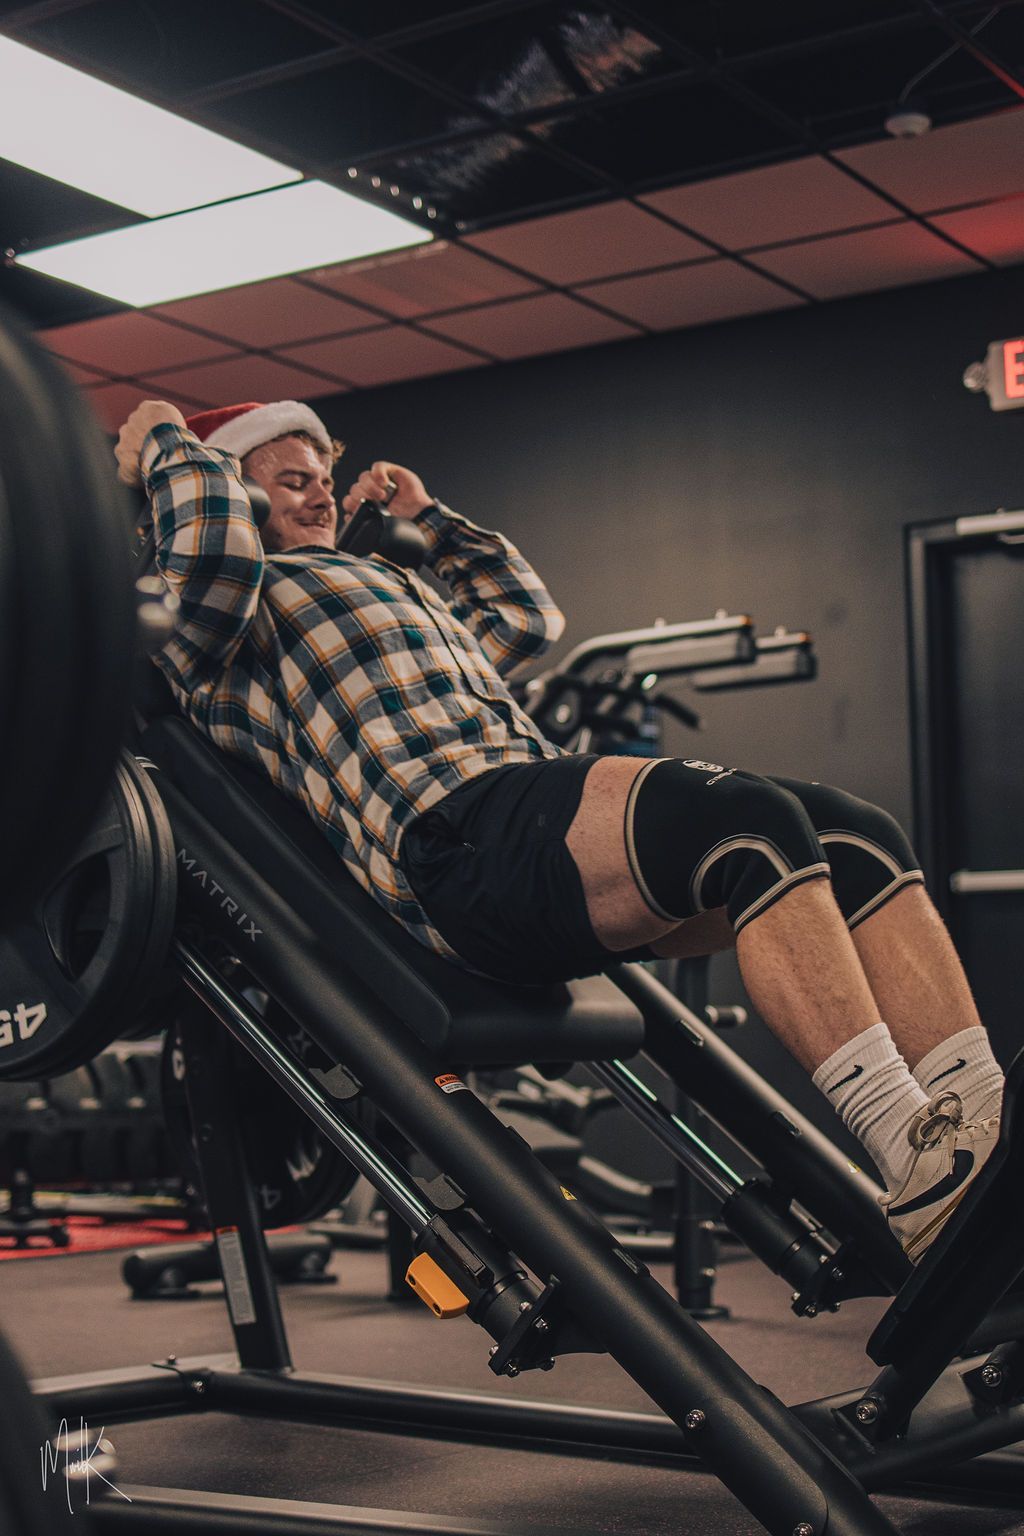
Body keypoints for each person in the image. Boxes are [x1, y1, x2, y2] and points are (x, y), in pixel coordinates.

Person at [115, 396, 1004, 1265]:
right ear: (229, 487)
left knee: (855, 837)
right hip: (455, 837)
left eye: (325, 477)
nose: (321, 495)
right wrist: (163, 431)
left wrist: (431, 519)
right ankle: (914, 1152)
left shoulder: (377, 579)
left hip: (523, 810)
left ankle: (984, 1137)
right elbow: (211, 561)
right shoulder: (215, 621)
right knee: (750, 827)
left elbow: (524, 618)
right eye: (292, 480)